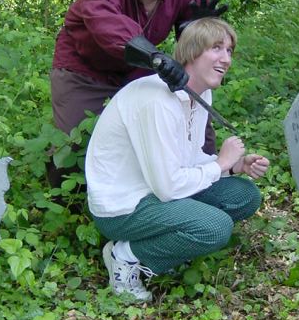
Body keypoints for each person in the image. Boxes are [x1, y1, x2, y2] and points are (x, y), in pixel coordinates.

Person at [85, 18, 270, 301]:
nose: (226, 59)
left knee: (245, 195)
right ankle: (125, 256)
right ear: (192, 52)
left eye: (229, 50)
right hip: (123, 207)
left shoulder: (201, 94)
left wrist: (233, 167)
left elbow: (188, 157)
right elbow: (168, 187)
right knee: (216, 227)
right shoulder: (157, 101)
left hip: (157, 192)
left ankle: (168, 246)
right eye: (216, 48)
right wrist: (219, 163)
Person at [51, 0, 224, 137]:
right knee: (76, 143)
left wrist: (194, 30)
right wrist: (156, 58)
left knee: (173, 125)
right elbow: (110, 27)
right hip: (84, 70)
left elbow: (197, 50)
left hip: (137, 71)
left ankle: (213, 158)